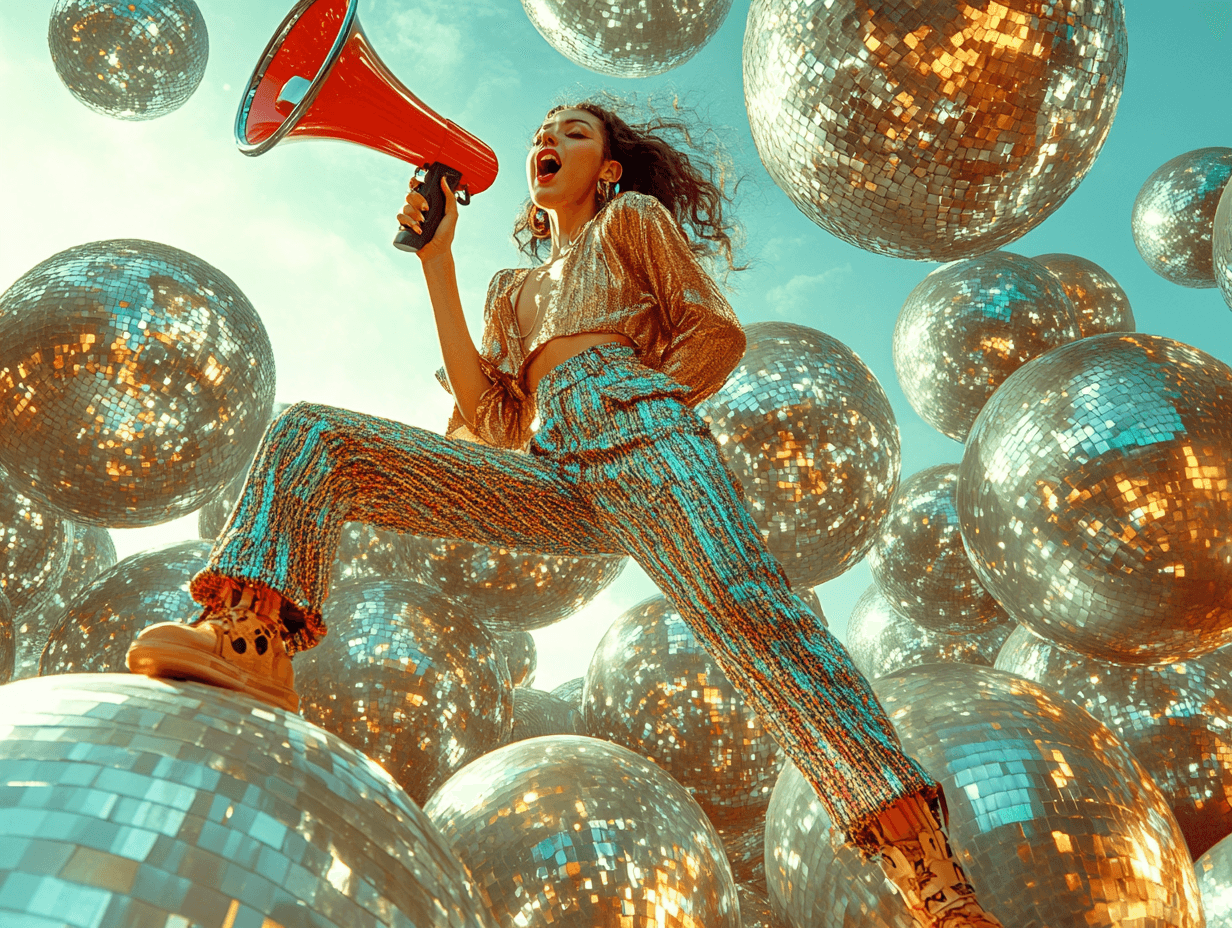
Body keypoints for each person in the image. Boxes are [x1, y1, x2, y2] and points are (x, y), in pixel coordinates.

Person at [127, 99, 1003, 928]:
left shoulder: (630, 225)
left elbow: (713, 329)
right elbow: (496, 416)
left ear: (608, 168)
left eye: (574, 131)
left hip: (642, 434)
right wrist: (439, 260)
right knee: (314, 438)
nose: (550, 139)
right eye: (545, 131)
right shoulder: (512, 288)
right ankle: (252, 638)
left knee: (754, 614)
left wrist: (641, 403)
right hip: (551, 470)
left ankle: (929, 877)